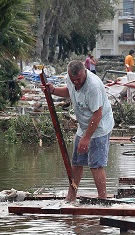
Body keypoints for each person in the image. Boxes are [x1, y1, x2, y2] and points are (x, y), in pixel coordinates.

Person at [41, 60, 115, 201]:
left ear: (85, 72)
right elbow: (69, 91)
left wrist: (86, 138)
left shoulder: (92, 86)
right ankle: (71, 197)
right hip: (83, 126)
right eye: (73, 80)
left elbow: (97, 115)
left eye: (79, 80)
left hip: (100, 127)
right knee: (76, 163)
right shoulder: (71, 79)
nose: (76, 83)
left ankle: (102, 198)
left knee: (96, 164)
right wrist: (53, 90)